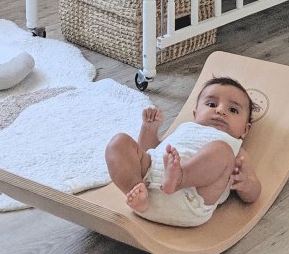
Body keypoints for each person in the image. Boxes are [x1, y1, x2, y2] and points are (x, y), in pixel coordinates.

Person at [104, 76, 262, 227]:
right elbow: (151, 153)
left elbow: (254, 192)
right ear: (195, 113)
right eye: (212, 104)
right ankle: (135, 190)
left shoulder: (234, 148)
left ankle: (180, 177)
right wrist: (149, 130)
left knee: (222, 151)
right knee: (119, 142)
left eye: (233, 110)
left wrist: (245, 184)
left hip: (192, 200)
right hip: (147, 190)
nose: (220, 110)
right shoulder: (185, 128)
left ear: (245, 130)